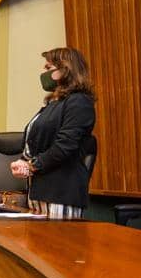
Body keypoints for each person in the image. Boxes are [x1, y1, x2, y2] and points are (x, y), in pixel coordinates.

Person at [11, 47, 97, 219]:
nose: (43, 72)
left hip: (61, 193)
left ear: (65, 69)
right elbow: (35, 140)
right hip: (38, 192)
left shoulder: (79, 101)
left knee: (55, 245)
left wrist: (32, 166)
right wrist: (22, 161)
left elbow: (65, 146)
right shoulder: (53, 103)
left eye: (48, 67)